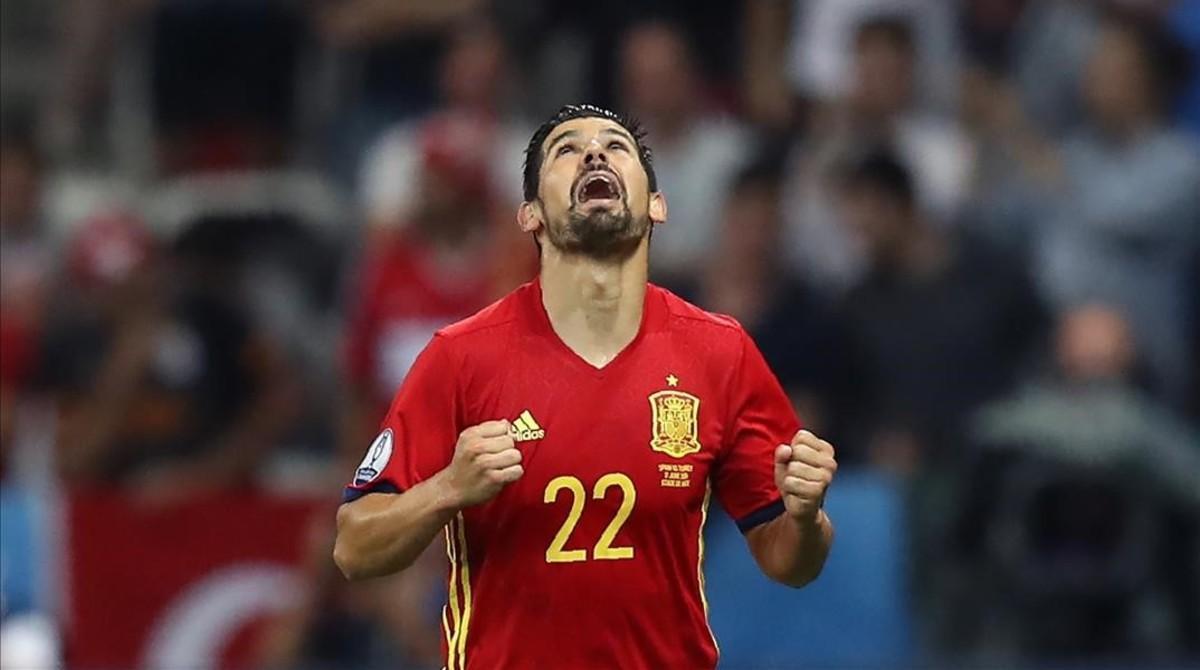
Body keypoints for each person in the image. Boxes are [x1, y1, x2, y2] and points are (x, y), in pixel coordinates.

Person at [333, 104, 838, 669]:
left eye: (617, 147)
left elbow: (790, 563)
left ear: (656, 205)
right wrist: (448, 488)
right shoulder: (461, 357)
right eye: (567, 150)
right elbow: (354, 546)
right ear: (530, 216)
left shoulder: (720, 352)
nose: (595, 153)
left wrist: (806, 518)